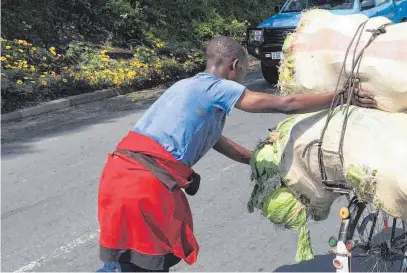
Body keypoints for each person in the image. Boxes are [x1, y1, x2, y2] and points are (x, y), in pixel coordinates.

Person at [96, 36, 376, 272]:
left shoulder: (189, 91)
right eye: (243, 72)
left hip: (118, 178)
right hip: (143, 187)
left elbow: (236, 152)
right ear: (235, 66)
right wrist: (341, 96)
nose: (243, 79)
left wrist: (272, 162)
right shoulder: (215, 88)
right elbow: (286, 104)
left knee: (122, 263)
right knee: (141, 265)